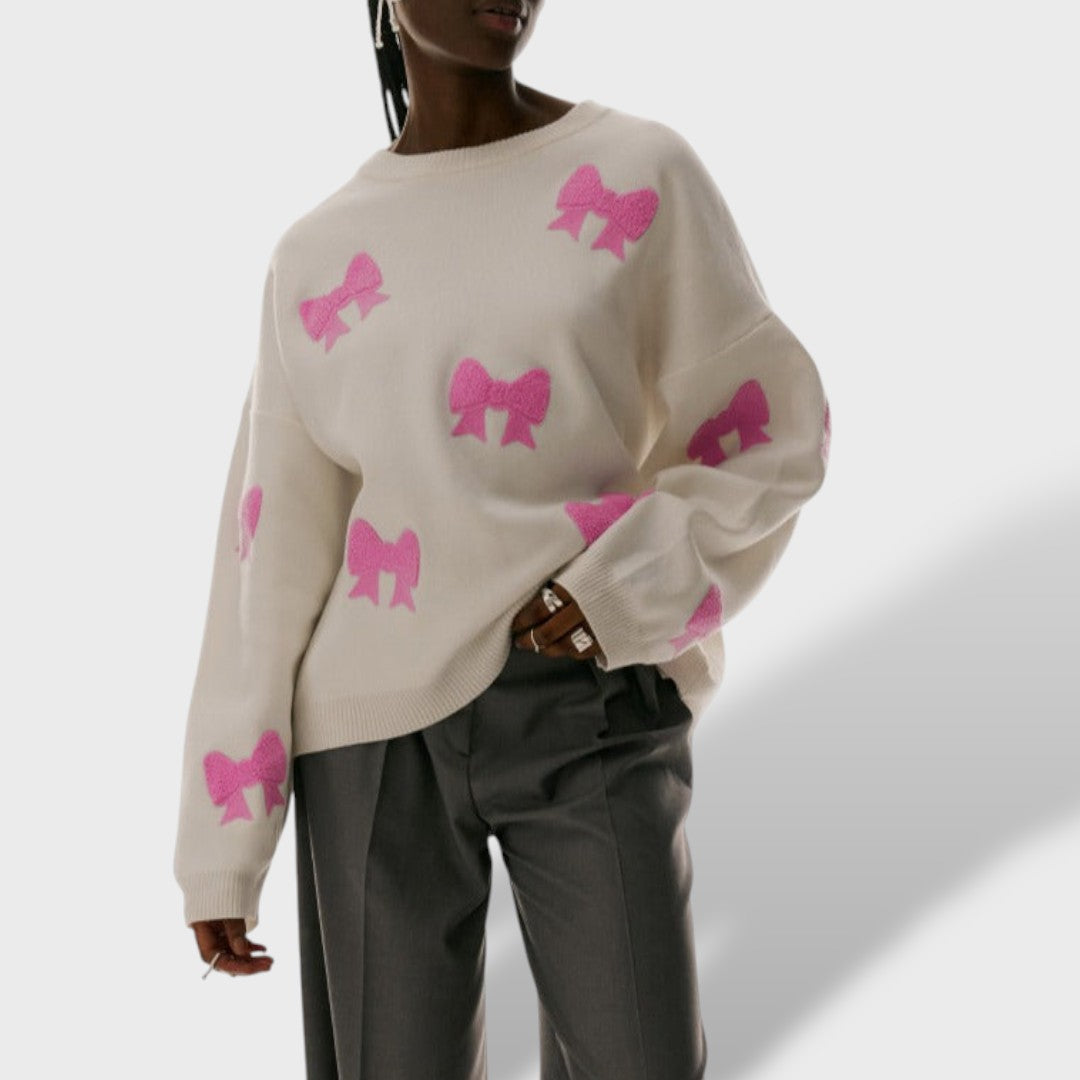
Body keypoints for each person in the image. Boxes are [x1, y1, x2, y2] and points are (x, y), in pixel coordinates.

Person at [173, 0, 831, 1076]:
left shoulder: (641, 171)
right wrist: (223, 847)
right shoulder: (317, 253)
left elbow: (774, 433)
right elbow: (268, 551)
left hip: (588, 694)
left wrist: (624, 592)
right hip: (372, 734)